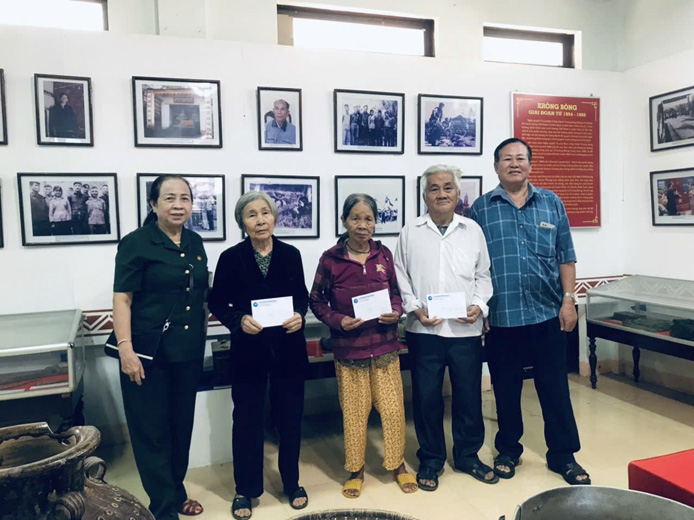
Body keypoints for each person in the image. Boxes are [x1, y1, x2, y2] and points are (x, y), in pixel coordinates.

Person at [470, 137, 591, 486]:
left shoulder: (551, 203)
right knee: (505, 390)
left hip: (546, 314)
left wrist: (568, 300)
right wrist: (480, 310)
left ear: (530, 165)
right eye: (506, 159)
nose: (514, 163)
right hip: (501, 317)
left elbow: (566, 256)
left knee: (555, 389)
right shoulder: (480, 209)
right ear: (496, 167)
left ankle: (563, 455)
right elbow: (473, 266)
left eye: (520, 158)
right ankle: (508, 450)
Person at [208, 192, 309, 520]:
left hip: (288, 348)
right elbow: (217, 302)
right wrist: (238, 320)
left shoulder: (291, 254)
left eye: (265, 213)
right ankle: (245, 489)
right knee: (247, 420)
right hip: (248, 349)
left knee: (290, 418)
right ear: (242, 222)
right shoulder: (231, 257)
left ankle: (291, 482)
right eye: (251, 215)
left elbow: (302, 298)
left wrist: (299, 315)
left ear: (275, 217)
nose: (260, 220)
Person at [393, 166, 495, 492]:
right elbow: (400, 276)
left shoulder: (472, 230)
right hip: (424, 331)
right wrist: (414, 307)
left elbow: (483, 275)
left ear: (457, 194)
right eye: (434, 188)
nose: (441, 194)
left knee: (468, 396)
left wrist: (479, 305)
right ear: (424, 195)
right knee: (426, 398)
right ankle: (431, 458)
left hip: (466, 330)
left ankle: (467, 455)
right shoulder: (410, 232)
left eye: (448, 188)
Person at [309, 193, 418, 499]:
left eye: (368, 219)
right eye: (355, 218)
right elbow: (316, 301)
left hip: (385, 348)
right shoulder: (331, 259)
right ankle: (355, 470)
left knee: (393, 410)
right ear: (344, 221)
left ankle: (397, 464)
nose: (362, 225)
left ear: (375, 222)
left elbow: (396, 292)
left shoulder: (383, 255)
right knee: (355, 415)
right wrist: (338, 320)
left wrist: (396, 310)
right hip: (350, 350)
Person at [112, 175, 209, 519]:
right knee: (151, 432)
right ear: (153, 204)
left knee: (180, 428)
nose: (178, 205)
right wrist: (125, 350)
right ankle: (164, 507)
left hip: (187, 352)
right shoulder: (136, 243)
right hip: (146, 355)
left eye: (185, 198)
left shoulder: (195, 242)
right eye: (169, 198)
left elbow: (199, 295)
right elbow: (122, 299)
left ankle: (176, 490)